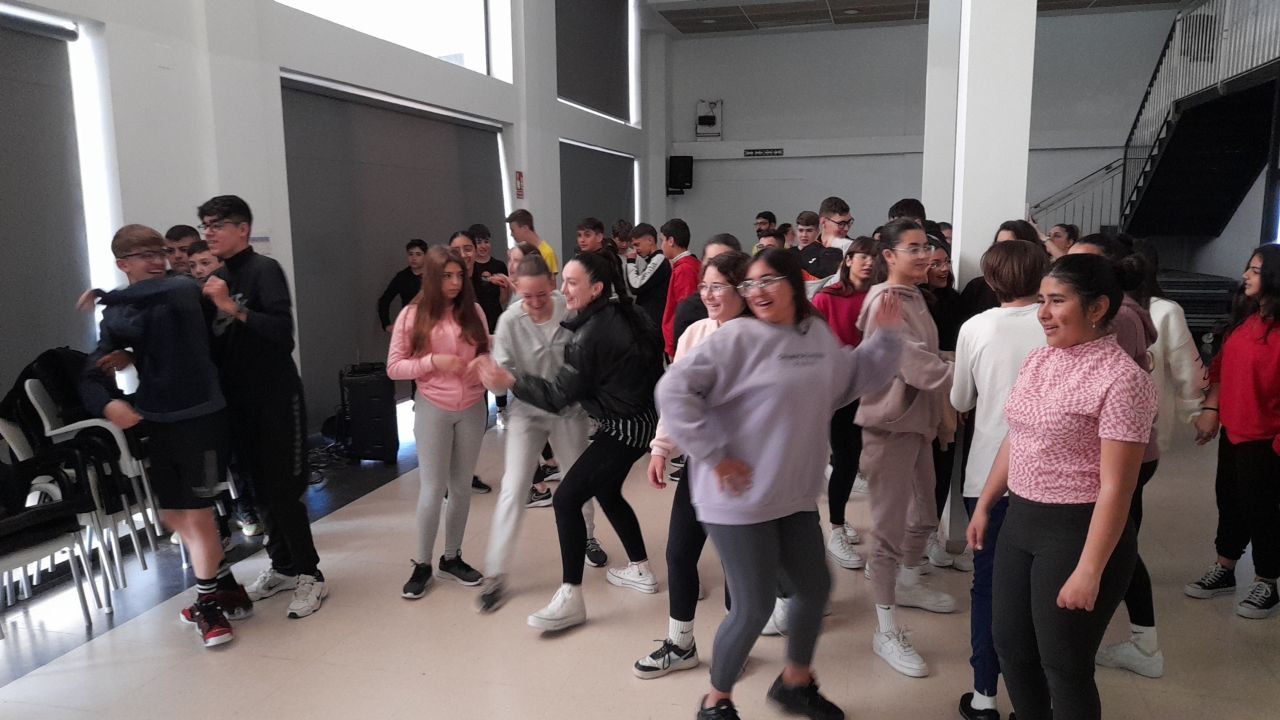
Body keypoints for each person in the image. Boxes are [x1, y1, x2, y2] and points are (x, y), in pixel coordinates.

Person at [658, 247, 905, 720]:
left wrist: (887, 338)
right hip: (736, 497)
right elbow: (673, 389)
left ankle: (795, 682)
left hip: (792, 494)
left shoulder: (814, 335)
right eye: (749, 284)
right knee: (753, 606)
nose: (757, 291)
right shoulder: (738, 339)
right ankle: (716, 701)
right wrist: (715, 454)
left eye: (767, 280)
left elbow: (849, 377)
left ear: (793, 284)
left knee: (814, 588)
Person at [968, 253, 1157, 720]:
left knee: (1064, 665)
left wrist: (1090, 569)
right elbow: (1017, 435)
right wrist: (986, 503)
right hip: (1021, 521)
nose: (1043, 313)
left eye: (1057, 301)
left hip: (1076, 530)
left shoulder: (1123, 380)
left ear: (1097, 308)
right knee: (1011, 648)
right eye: (1042, 301)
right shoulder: (1040, 359)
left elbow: (1117, 487)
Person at [78, 224, 251, 648]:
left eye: (160, 252)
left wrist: (105, 294)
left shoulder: (181, 289)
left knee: (198, 513)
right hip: (157, 419)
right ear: (123, 264)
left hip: (203, 414)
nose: (158, 261)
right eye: (145, 256)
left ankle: (209, 605)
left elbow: (162, 293)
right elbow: (93, 367)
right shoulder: (118, 315)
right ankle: (226, 588)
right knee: (174, 516)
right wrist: (106, 404)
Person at [478, 252, 664, 631]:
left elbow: (559, 395)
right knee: (604, 490)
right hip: (631, 418)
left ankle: (571, 596)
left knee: (566, 498)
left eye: (570, 283)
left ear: (596, 288)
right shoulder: (620, 312)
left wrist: (509, 381)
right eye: (563, 281)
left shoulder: (590, 330)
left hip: (618, 424)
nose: (562, 290)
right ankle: (640, 569)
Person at [198, 194, 327, 619]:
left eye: (217, 224)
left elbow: (282, 334)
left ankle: (310, 573)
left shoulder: (264, 270)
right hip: (238, 403)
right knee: (256, 490)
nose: (209, 232)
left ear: (243, 229)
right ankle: (283, 566)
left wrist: (231, 307)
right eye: (205, 225)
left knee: (284, 491)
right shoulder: (216, 279)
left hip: (276, 398)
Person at [631, 250, 753, 680]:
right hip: (701, 465)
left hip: (741, 469)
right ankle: (680, 643)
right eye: (705, 287)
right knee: (680, 552)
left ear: (742, 290)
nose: (708, 295)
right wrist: (661, 447)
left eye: (718, 287)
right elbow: (676, 398)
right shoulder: (695, 333)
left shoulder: (759, 339)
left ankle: (736, 645)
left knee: (736, 562)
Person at [950, 240, 1049, 719]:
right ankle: (1035, 701)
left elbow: (961, 400)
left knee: (988, 587)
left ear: (990, 281)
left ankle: (984, 696)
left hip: (989, 471)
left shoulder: (976, 327)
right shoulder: (1056, 323)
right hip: (1048, 476)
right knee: (1040, 592)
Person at [857, 217, 957, 679]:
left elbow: (930, 358)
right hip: (890, 427)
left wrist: (962, 363)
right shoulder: (886, 300)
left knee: (924, 516)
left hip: (917, 423)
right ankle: (885, 629)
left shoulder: (915, 296)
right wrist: (971, 374)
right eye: (912, 248)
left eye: (926, 248)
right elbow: (915, 364)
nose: (924, 256)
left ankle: (909, 581)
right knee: (888, 530)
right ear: (889, 256)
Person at [479, 252, 605, 613]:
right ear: (516, 289)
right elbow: (502, 379)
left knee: (577, 479)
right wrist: (491, 378)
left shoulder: (568, 307)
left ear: (552, 284)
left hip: (568, 412)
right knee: (514, 485)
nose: (534, 303)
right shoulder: (509, 321)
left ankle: (588, 538)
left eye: (541, 295)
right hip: (527, 412)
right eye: (526, 296)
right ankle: (495, 573)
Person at [387, 246, 488, 597]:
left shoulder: (473, 311)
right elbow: (394, 367)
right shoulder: (412, 315)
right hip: (433, 407)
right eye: (447, 276)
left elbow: (487, 353)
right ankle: (422, 563)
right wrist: (433, 362)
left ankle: (452, 557)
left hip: (473, 407)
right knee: (432, 489)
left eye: (459, 275)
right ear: (432, 277)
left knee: (461, 488)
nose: (455, 282)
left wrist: (483, 367)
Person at [1187, 244, 1280, 620]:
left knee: (1263, 511)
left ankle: (1267, 581)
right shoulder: (1247, 320)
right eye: (1249, 268)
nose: (1245, 276)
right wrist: (1212, 411)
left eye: (1255, 270)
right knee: (1230, 501)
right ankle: (1225, 567)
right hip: (1235, 432)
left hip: (1267, 440)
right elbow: (1222, 370)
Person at [812, 237, 877, 571]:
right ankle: (836, 527)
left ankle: (841, 519)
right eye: (862, 256)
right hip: (839, 393)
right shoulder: (827, 298)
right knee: (846, 457)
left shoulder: (880, 297)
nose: (868, 262)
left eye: (874, 257)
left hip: (875, 389)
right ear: (848, 260)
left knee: (858, 460)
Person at [921, 238, 967, 571]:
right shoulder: (912, 301)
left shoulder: (956, 300)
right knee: (914, 475)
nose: (942, 269)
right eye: (934, 263)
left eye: (945, 262)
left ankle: (930, 538)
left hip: (949, 395)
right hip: (917, 397)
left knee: (942, 467)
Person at [959, 220, 1043, 321]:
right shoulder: (977, 287)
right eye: (998, 245)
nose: (1001, 251)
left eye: (1009, 245)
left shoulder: (1043, 287)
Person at [673, 234, 742, 346]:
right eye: (711, 262)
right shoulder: (690, 314)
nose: (715, 269)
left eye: (725, 263)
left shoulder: (755, 314)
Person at [660, 218, 701, 358]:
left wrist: (674, 347)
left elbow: (684, 313)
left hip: (681, 343)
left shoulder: (684, 269)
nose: (661, 246)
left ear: (671, 241)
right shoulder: (692, 264)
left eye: (662, 240)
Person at [626, 222, 670, 329]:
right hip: (649, 322)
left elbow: (636, 287)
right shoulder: (653, 260)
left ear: (650, 240)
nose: (635, 250)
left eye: (637, 244)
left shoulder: (659, 260)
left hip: (654, 325)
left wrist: (630, 262)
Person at [378, 239, 428, 332]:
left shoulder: (433, 276)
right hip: (408, 326)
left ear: (426, 256)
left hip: (430, 325)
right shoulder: (402, 277)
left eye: (418, 254)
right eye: (410, 254)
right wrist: (386, 324)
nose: (414, 258)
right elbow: (384, 300)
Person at [507, 209, 558, 279]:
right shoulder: (519, 251)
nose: (511, 234)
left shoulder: (547, 253)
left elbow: (551, 283)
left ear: (525, 228)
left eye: (513, 230)